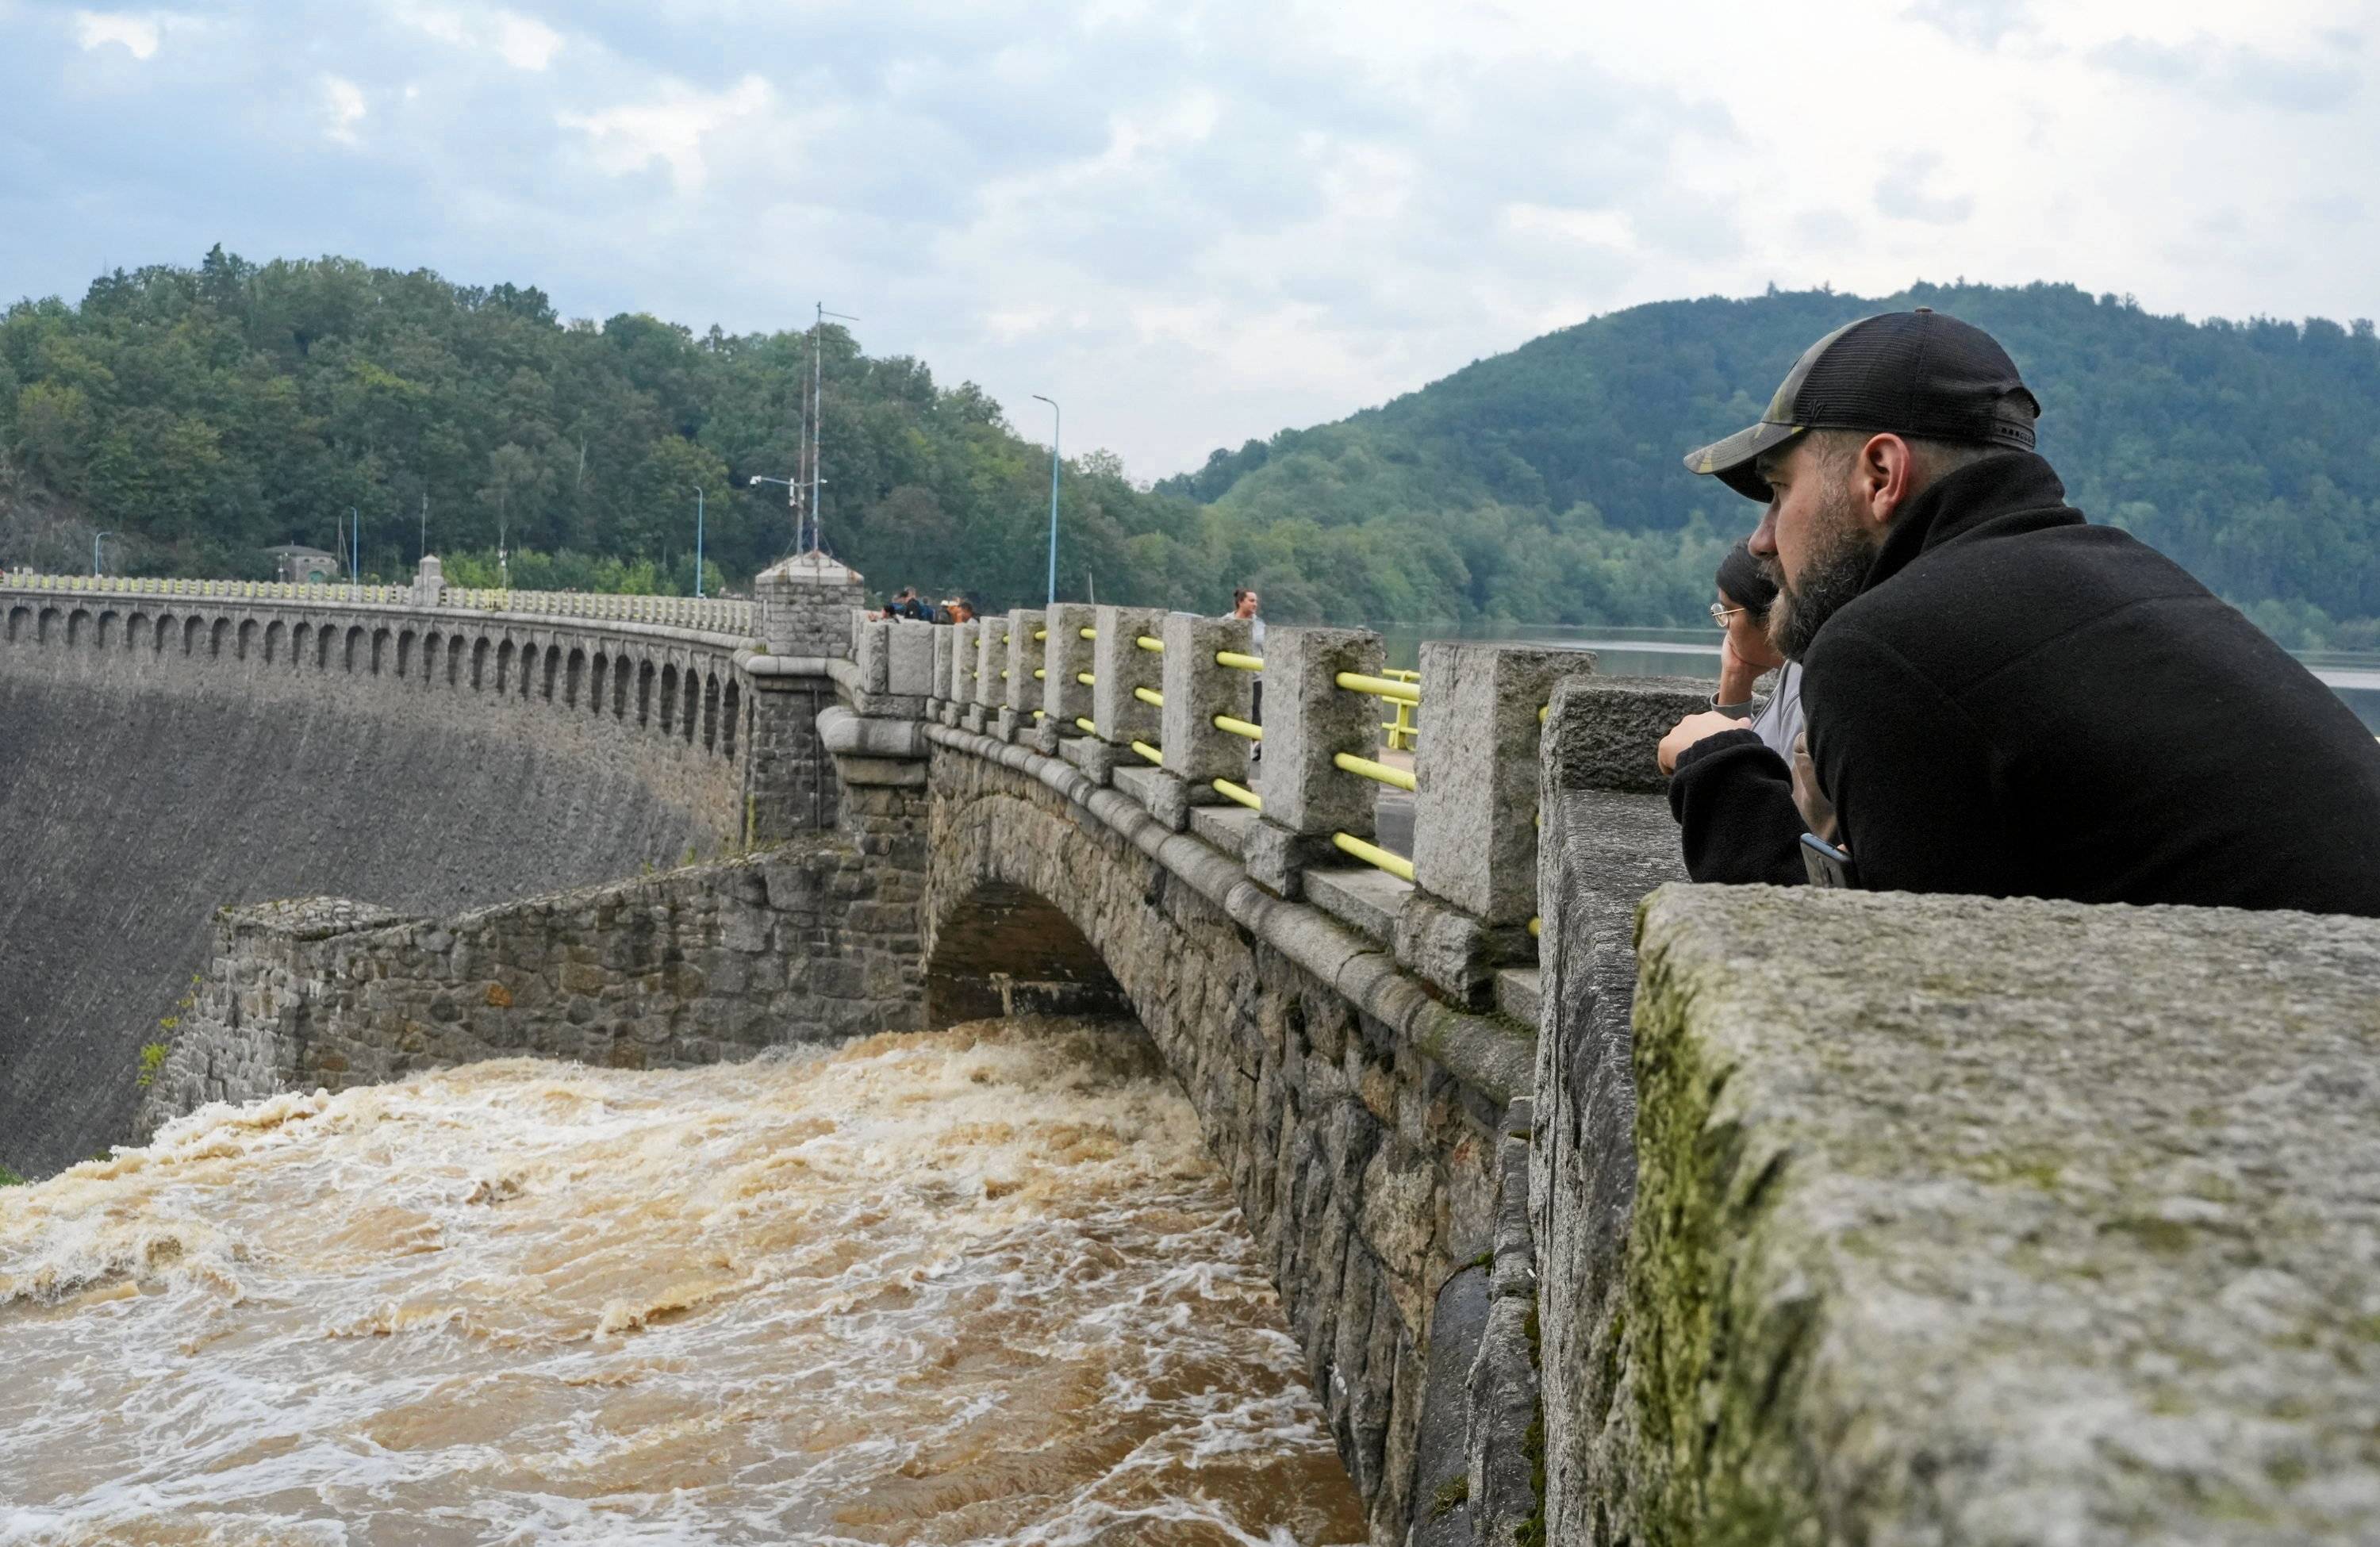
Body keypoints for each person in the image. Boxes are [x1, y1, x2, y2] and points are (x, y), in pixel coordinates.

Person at [1660, 306, 2380, 915]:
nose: (1761, 540)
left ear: (1881, 475)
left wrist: (1715, 770)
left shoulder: (1890, 647)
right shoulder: (2121, 573)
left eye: (1781, 490)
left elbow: (1891, 988)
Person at [1657, 541, 1809, 883]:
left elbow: (1764, 809)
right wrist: (1735, 678)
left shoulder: (1807, 681)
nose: (1723, 625)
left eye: (1728, 611)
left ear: (1772, 613)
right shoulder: (1794, 670)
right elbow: (1755, 761)